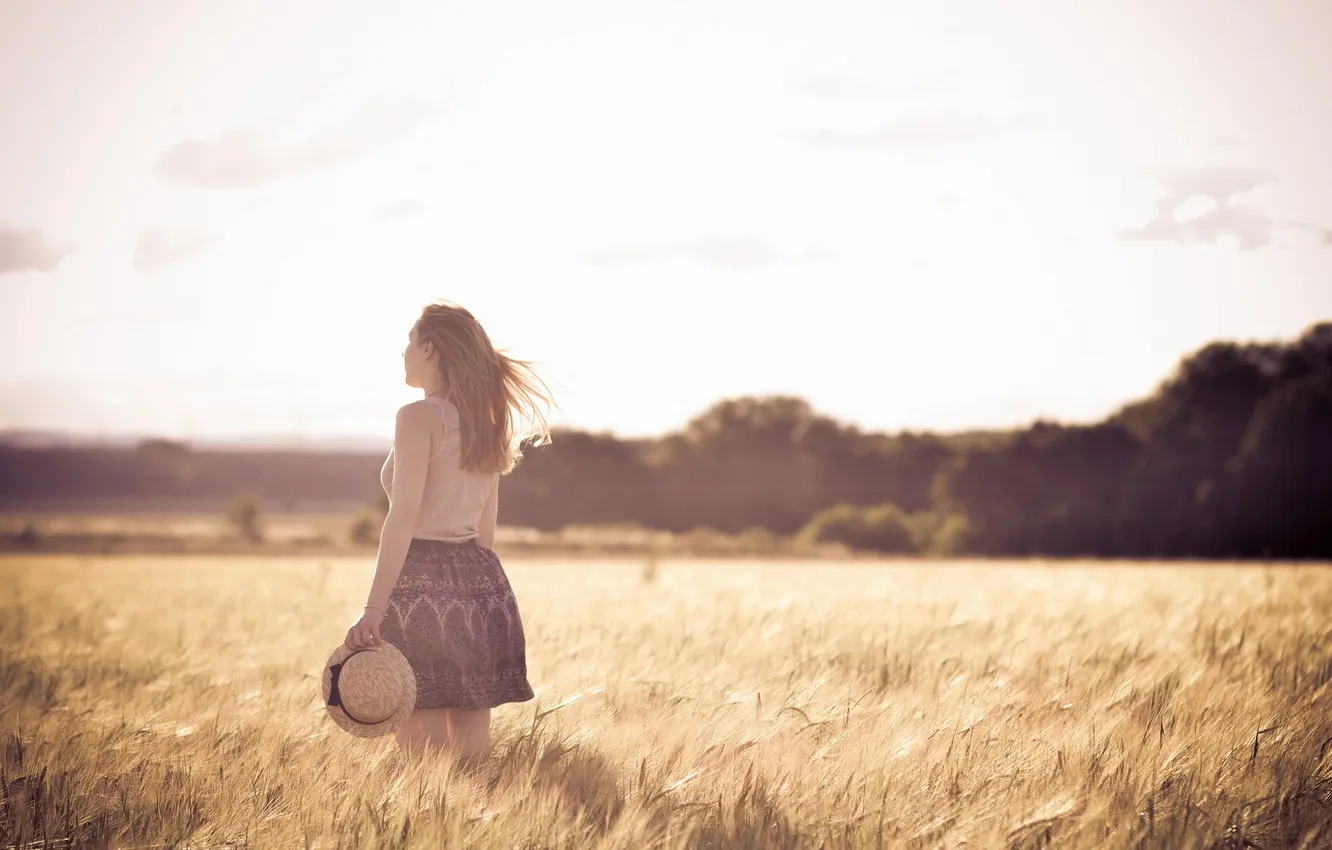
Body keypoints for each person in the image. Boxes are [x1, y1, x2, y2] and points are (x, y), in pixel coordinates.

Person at [343, 299, 552, 761]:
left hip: (421, 582)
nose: (403, 353)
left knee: (424, 757)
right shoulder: (488, 421)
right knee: (475, 752)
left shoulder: (417, 418)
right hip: (482, 580)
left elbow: (402, 516)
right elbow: (486, 528)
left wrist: (374, 608)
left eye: (408, 343)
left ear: (430, 348)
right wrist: (473, 593)